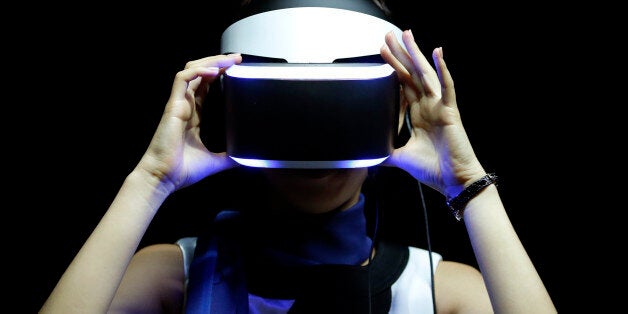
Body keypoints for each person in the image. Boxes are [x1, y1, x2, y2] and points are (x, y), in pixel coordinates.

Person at [40, 2, 557, 313]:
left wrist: (465, 182)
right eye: (288, 110)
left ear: (394, 112)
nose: (316, 146)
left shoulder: (442, 290)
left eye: (340, 111)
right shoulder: (173, 274)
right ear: (237, 109)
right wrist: (150, 179)